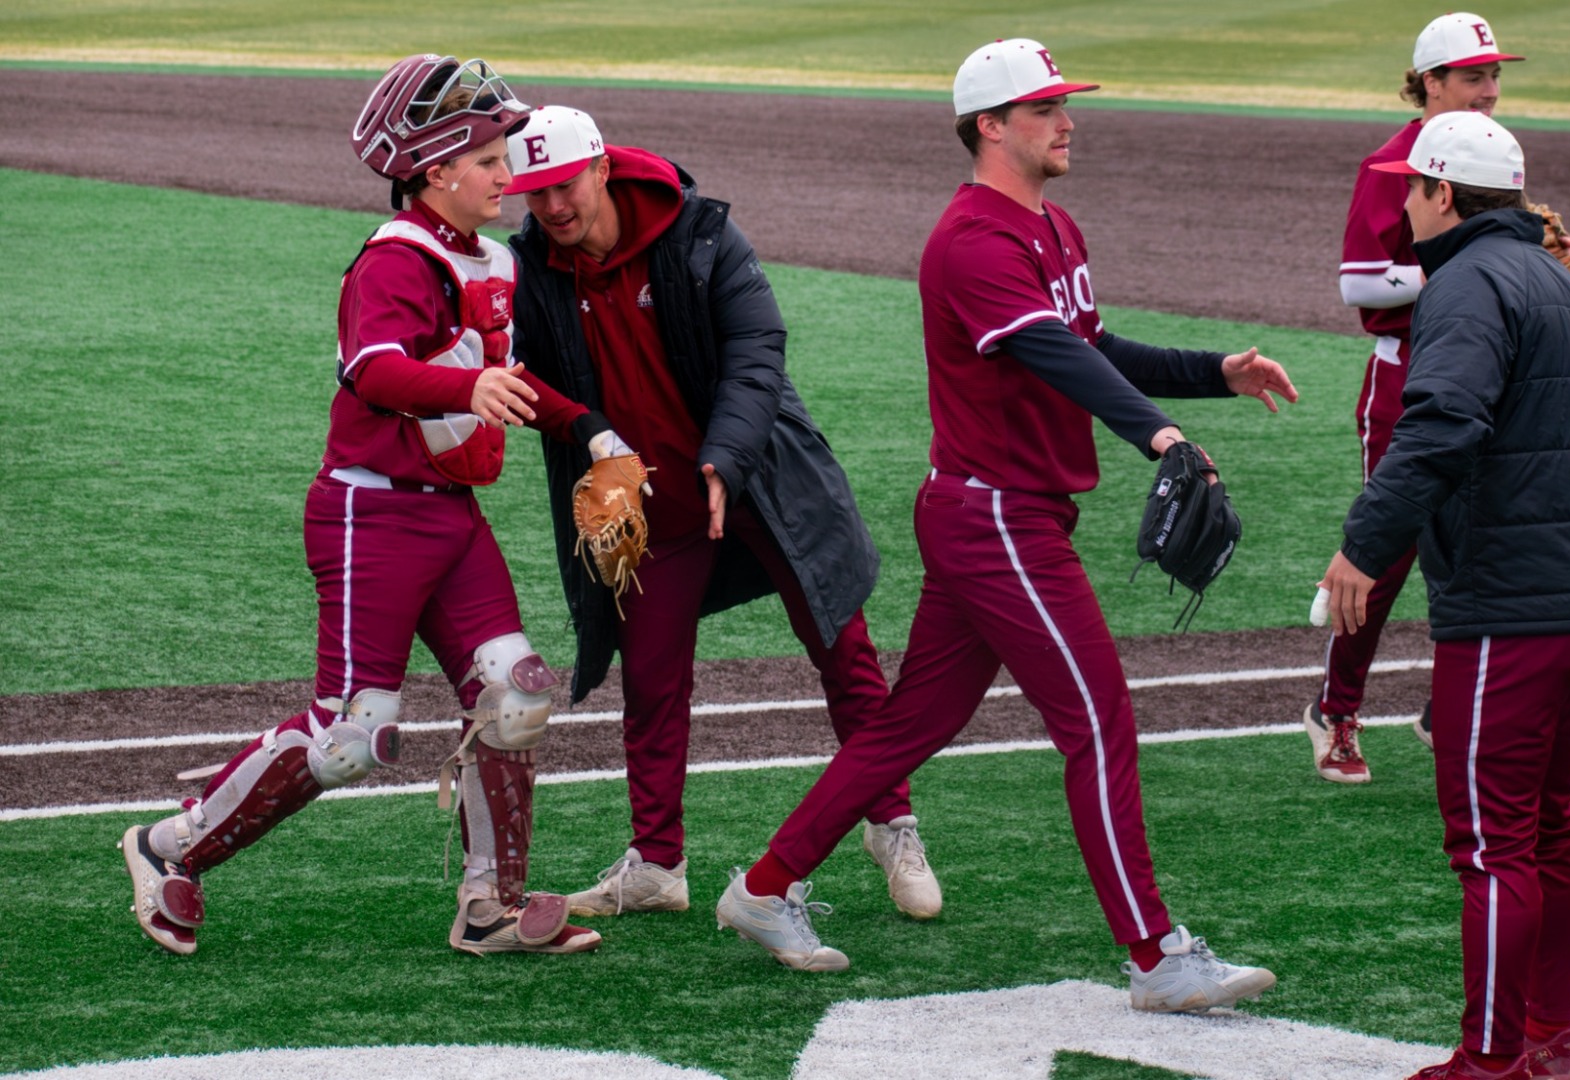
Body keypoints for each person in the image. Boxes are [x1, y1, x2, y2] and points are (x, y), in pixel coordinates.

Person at [711, 38, 1294, 1012]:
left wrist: (1210, 374)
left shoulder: (1053, 227)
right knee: (1097, 722)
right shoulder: (973, 242)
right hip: (996, 520)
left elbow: (1090, 345)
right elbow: (1048, 358)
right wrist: (1158, 437)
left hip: (1000, 515)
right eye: (1045, 108)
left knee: (912, 725)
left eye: (1065, 105)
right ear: (990, 125)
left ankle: (764, 889)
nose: (1068, 121)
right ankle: (1156, 956)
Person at [118, 54, 604, 956]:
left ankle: (489, 907)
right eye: (491, 158)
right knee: (351, 737)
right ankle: (167, 846)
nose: (509, 174)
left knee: (514, 699)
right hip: (370, 514)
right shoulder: (395, 258)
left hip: (451, 520)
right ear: (434, 171)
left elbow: (513, 380)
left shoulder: (491, 256)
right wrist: (470, 394)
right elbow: (372, 370)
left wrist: (599, 436)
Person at [504, 106, 942, 921]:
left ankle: (893, 824)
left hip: (759, 476)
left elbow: (757, 351)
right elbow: (517, 370)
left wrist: (726, 460)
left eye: (564, 187)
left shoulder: (699, 234)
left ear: (601, 169)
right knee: (651, 675)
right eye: (534, 196)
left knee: (840, 644)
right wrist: (586, 428)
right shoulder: (531, 265)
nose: (553, 209)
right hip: (646, 504)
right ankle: (658, 865)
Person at [1320, 111, 1570, 1079]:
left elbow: (1444, 425)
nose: (1402, 205)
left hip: (1508, 603)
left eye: (1413, 188)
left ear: (1445, 195)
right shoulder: (1559, 284)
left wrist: (1363, 545)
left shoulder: (1467, 284)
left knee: (1492, 844)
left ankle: (1489, 1063)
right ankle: (1551, 1040)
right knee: (1548, 826)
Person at [1309, 12, 1570, 784]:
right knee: (1386, 549)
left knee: (1482, 539)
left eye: (1495, 76)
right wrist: (1466, 271)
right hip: (1406, 373)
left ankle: (1449, 710)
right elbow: (1358, 282)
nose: (1490, 91)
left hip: (1489, 371)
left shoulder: (1488, 154)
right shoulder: (1392, 165)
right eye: (1472, 77)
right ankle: (1336, 709)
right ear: (1429, 82)